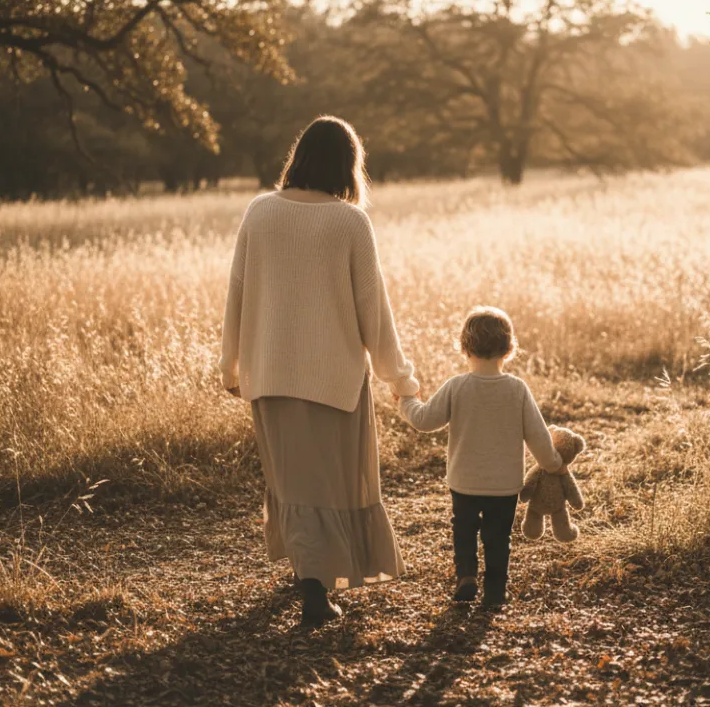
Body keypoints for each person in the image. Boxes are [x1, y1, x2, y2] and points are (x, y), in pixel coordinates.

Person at [219, 115, 420, 624]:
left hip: (267, 375)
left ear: (300, 157)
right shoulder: (349, 221)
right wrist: (400, 378)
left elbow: (236, 293)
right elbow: (373, 311)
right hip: (332, 380)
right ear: (349, 166)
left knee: (292, 482)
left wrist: (231, 365)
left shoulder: (259, 211)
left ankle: (307, 575)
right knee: (328, 485)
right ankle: (314, 593)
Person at [396, 306, 564, 607]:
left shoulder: (456, 386)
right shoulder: (517, 389)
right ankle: (495, 592)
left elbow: (424, 421)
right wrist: (554, 465)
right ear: (509, 349)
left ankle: (467, 576)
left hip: (465, 482)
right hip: (504, 485)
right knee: (498, 538)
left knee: (464, 530)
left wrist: (407, 401)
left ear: (464, 347)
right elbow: (538, 438)